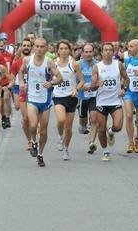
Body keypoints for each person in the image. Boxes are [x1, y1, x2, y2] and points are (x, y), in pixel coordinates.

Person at [19, 38, 63, 167]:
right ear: (33, 47)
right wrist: (21, 82)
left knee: (43, 131)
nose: (39, 49)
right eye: (37, 46)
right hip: (32, 98)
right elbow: (21, 71)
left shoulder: (49, 62)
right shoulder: (27, 60)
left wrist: (51, 82)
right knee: (32, 125)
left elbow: (60, 77)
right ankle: (33, 142)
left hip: (45, 100)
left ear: (46, 48)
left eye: (42, 47)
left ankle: (40, 155)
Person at [90, 42, 130, 162]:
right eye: (105, 50)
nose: (108, 52)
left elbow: (127, 79)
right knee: (101, 129)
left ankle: (111, 132)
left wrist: (124, 89)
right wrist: (97, 84)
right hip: (102, 102)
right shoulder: (97, 67)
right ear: (101, 52)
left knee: (118, 126)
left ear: (113, 52)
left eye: (110, 50)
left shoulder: (118, 65)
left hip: (115, 100)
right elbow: (92, 87)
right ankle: (105, 151)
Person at [53, 39, 84, 160]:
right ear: (57, 51)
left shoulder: (74, 64)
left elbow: (81, 81)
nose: (63, 51)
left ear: (69, 50)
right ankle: (60, 136)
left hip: (71, 97)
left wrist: (76, 89)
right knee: (61, 120)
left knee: (69, 127)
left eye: (66, 48)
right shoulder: (53, 64)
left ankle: (66, 149)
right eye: (61, 49)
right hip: (58, 96)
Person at [10, 38, 33, 151]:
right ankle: (30, 141)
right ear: (21, 48)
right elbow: (11, 76)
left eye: (28, 45)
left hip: (35, 93)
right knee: (25, 118)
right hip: (22, 91)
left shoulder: (36, 61)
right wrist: (11, 83)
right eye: (24, 45)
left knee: (33, 119)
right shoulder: (17, 63)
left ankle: (34, 134)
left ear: (31, 47)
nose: (26, 47)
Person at [77, 44, 99, 154]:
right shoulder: (78, 65)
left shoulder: (98, 65)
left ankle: (91, 143)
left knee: (94, 118)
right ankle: (82, 125)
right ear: (83, 53)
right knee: (83, 120)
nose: (89, 54)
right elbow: (74, 79)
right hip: (82, 96)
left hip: (95, 96)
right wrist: (81, 85)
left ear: (93, 52)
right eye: (86, 52)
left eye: (90, 52)